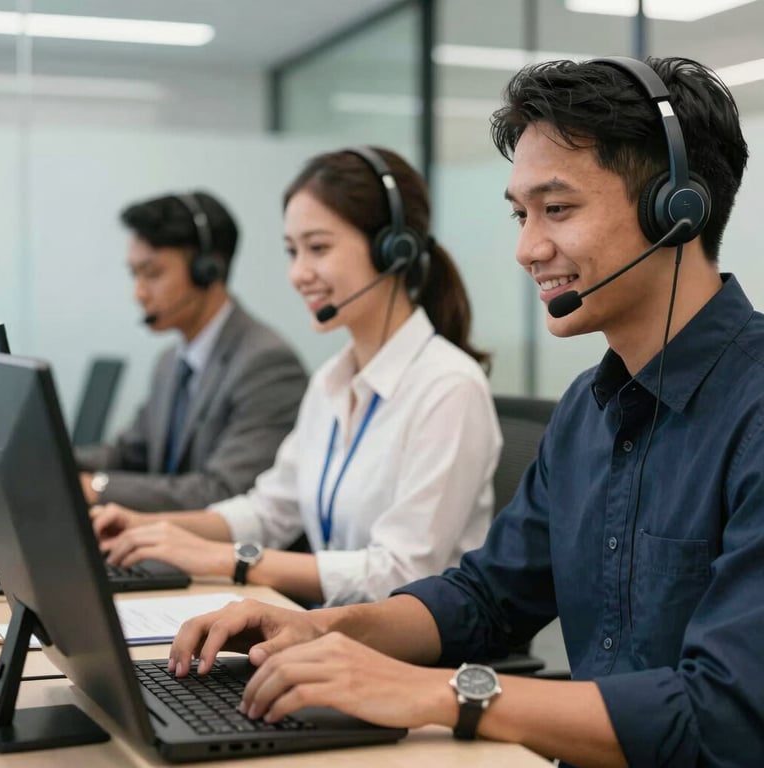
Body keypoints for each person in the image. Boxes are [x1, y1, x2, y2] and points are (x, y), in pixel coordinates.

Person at [166, 56, 763, 768]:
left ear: (677, 210)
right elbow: (485, 597)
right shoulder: (586, 412)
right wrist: (326, 631)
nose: (526, 249)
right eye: (520, 214)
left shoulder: (753, 412)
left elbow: (724, 719)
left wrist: (444, 694)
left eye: (558, 209)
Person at [93, 147, 502, 607]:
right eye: (292, 251)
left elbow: (403, 572)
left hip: (404, 645)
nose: (298, 273)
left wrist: (228, 559)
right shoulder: (331, 381)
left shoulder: (448, 387)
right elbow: (270, 511)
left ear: (393, 250)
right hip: (327, 628)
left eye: (318, 248)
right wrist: (152, 527)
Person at [76, 191, 308, 511]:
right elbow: (131, 453)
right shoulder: (170, 362)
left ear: (207, 270)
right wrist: (53, 458)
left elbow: (224, 490)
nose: (139, 293)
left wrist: (97, 488)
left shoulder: (267, 365)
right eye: (134, 274)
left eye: (152, 274)